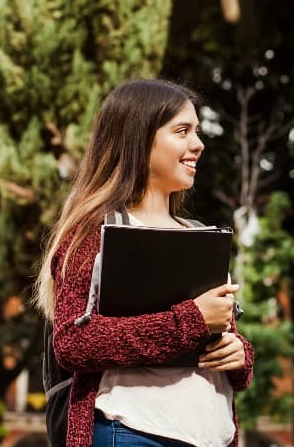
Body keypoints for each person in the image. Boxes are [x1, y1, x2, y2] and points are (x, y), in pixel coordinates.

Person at [35, 79, 253, 446]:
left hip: (211, 436)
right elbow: (73, 342)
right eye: (182, 131)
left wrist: (239, 353)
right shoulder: (93, 235)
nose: (198, 144)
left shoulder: (201, 235)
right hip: (134, 433)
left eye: (197, 132)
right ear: (138, 138)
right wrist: (191, 321)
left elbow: (219, 336)